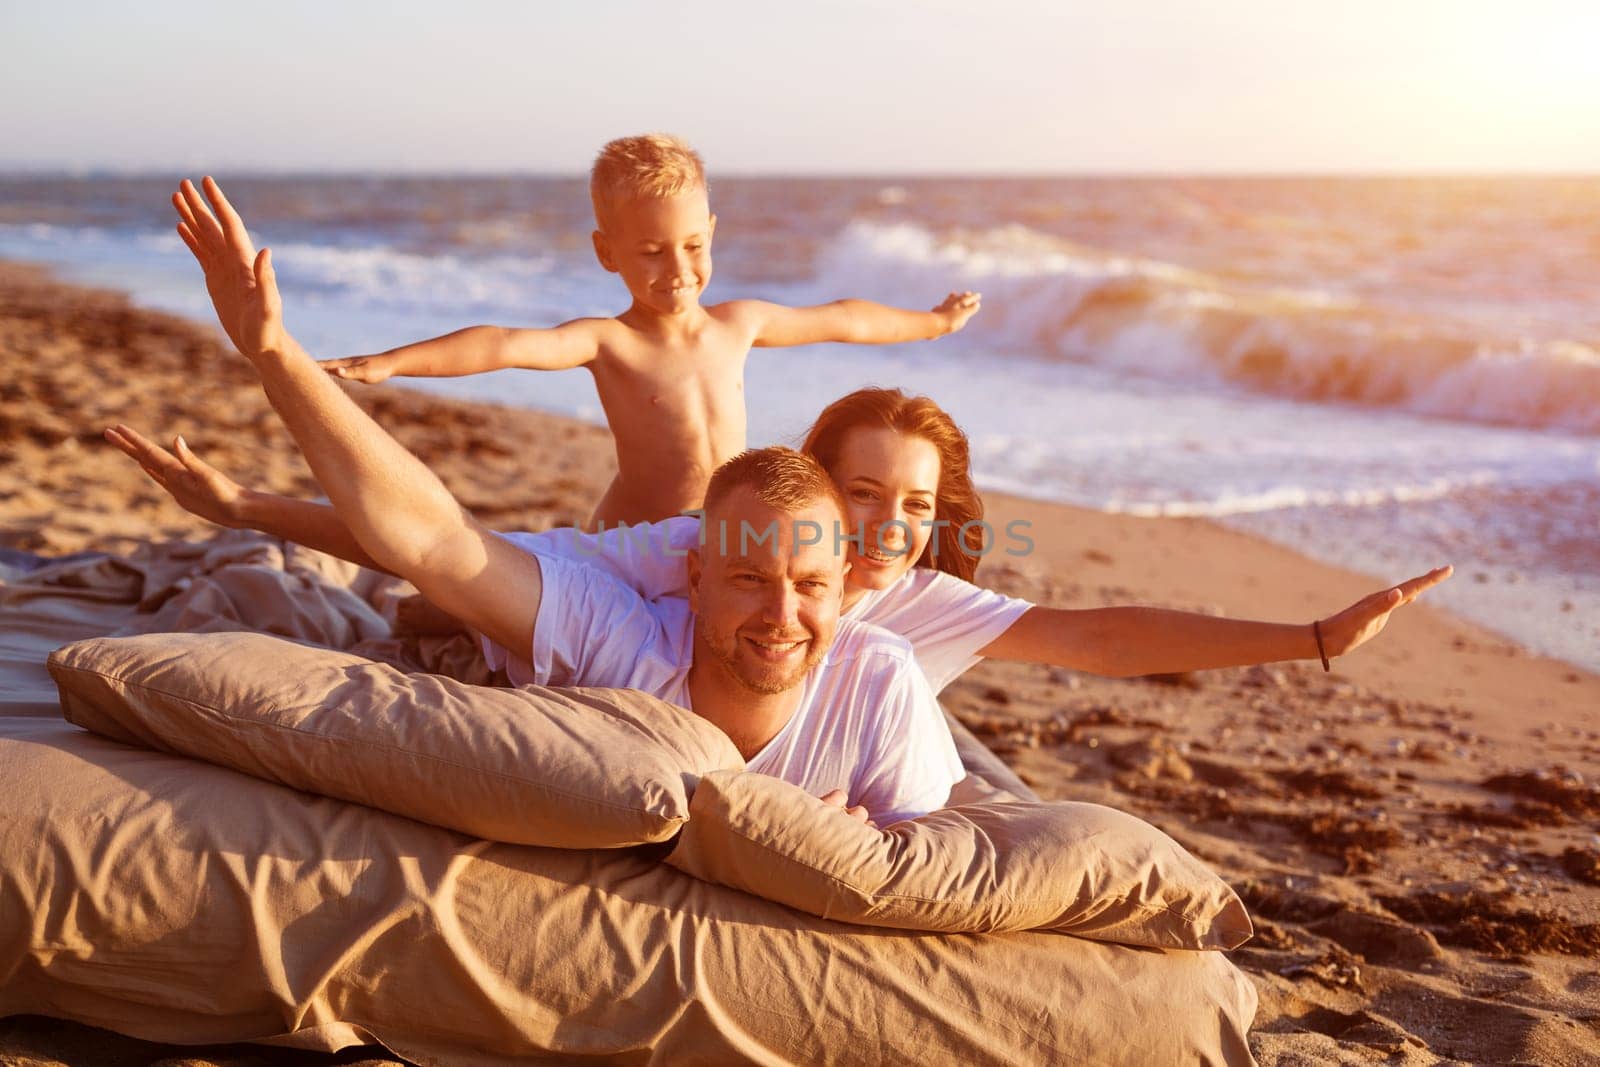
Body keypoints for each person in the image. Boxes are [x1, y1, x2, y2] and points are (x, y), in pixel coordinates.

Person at [138, 175, 962, 826]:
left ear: (840, 571)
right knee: (443, 586)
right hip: (616, 545)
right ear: (700, 574)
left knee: (457, 577)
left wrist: (930, 322)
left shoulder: (880, 678)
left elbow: (844, 317)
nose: (784, 610)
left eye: (811, 583)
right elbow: (440, 530)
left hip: (644, 551)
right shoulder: (630, 624)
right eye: (750, 577)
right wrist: (280, 354)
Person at [110, 385, 1453, 698]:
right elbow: (450, 538)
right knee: (436, 609)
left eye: (917, 506)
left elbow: (1101, 632)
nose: (890, 528)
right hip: (545, 669)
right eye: (864, 494)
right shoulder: (707, 547)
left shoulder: (916, 600)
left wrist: (1315, 635)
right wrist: (246, 509)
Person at [293, 134, 981, 528]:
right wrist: (388, 361)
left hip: (713, 532)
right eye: (651, 251)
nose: (677, 268)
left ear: (710, 233)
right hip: (630, 540)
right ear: (607, 252)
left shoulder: (739, 324)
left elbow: (844, 317)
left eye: (691, 246)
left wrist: (932, 323)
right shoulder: (610, 341)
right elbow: (502, 344)